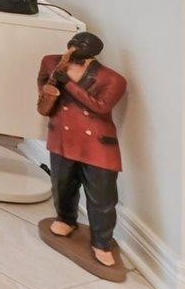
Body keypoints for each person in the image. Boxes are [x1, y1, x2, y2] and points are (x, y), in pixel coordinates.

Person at [36, 31, 126, 267]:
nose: (75, 48)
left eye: (81, 45)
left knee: (102, 196)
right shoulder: (52, 62)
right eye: (74, 43)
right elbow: (42, 83)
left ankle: (102, 242)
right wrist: (51, 87)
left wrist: (70, 84)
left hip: (95, 144)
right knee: (62, 182)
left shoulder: (112, 79)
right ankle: (66, 219)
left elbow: (101, 107)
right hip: (63, 136)